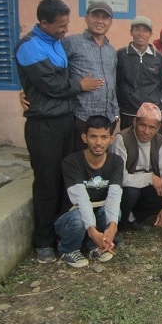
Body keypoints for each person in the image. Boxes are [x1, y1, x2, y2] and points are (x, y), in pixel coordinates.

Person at [15, 0, 103, 264]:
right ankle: (43, 242)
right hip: (44, 125)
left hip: (66, 120)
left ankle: (64, 235)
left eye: (67, 25)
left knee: (68, 181)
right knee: (46, 181)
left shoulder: (54, 44)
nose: (65, 31)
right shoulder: (29, 47)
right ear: (44, 22)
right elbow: (52, 86)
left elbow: (57, 81)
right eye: (60, 26)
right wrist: (80, 86)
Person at [56, 115, 123, 268]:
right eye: (93, 137)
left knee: (114, 213)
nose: (98, 143)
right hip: (73, 214)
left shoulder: (116, 161)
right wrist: (92, 230)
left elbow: (114, 195)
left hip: (97, 212)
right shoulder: (71, 162)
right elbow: (81, 198)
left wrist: (112, 226)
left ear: (111, 139)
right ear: (84, 137)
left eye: (104, 137)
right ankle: (68, 249)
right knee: (79, 218)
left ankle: (94, 246)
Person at [109, 103, 162, 237]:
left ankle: (135, 218)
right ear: (135, 122)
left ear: (158, 127)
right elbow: (120, 177)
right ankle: (118, 226)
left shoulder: (160, 141)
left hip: (146, 188)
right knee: (131, 193)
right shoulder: (122, 139)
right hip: (127, 187)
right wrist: (150, 177)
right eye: (143, 125)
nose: (146, 131)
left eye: (152, 127)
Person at [63, 1, 118, 151]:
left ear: (110, 22)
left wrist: (116, 112)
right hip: (81, 118)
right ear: (87, 18)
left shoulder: (111, 51)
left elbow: (112, 84)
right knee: (81, 164)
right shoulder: (71, 43)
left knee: (101, 166)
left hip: (107, 120)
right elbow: (51, 72)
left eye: (105, 17)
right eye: (95, 16)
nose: (100, 21)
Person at [116, 16, 162, 130]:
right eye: (137, 29)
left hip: (153, 112)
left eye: (145, 30)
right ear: (131, 32)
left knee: (152, 146)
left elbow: (161, 84)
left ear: (151, 34)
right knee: (128, 144)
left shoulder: (158, 57)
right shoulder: (121, 55)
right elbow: (117, 83)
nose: (141, 33)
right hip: (129, 112)